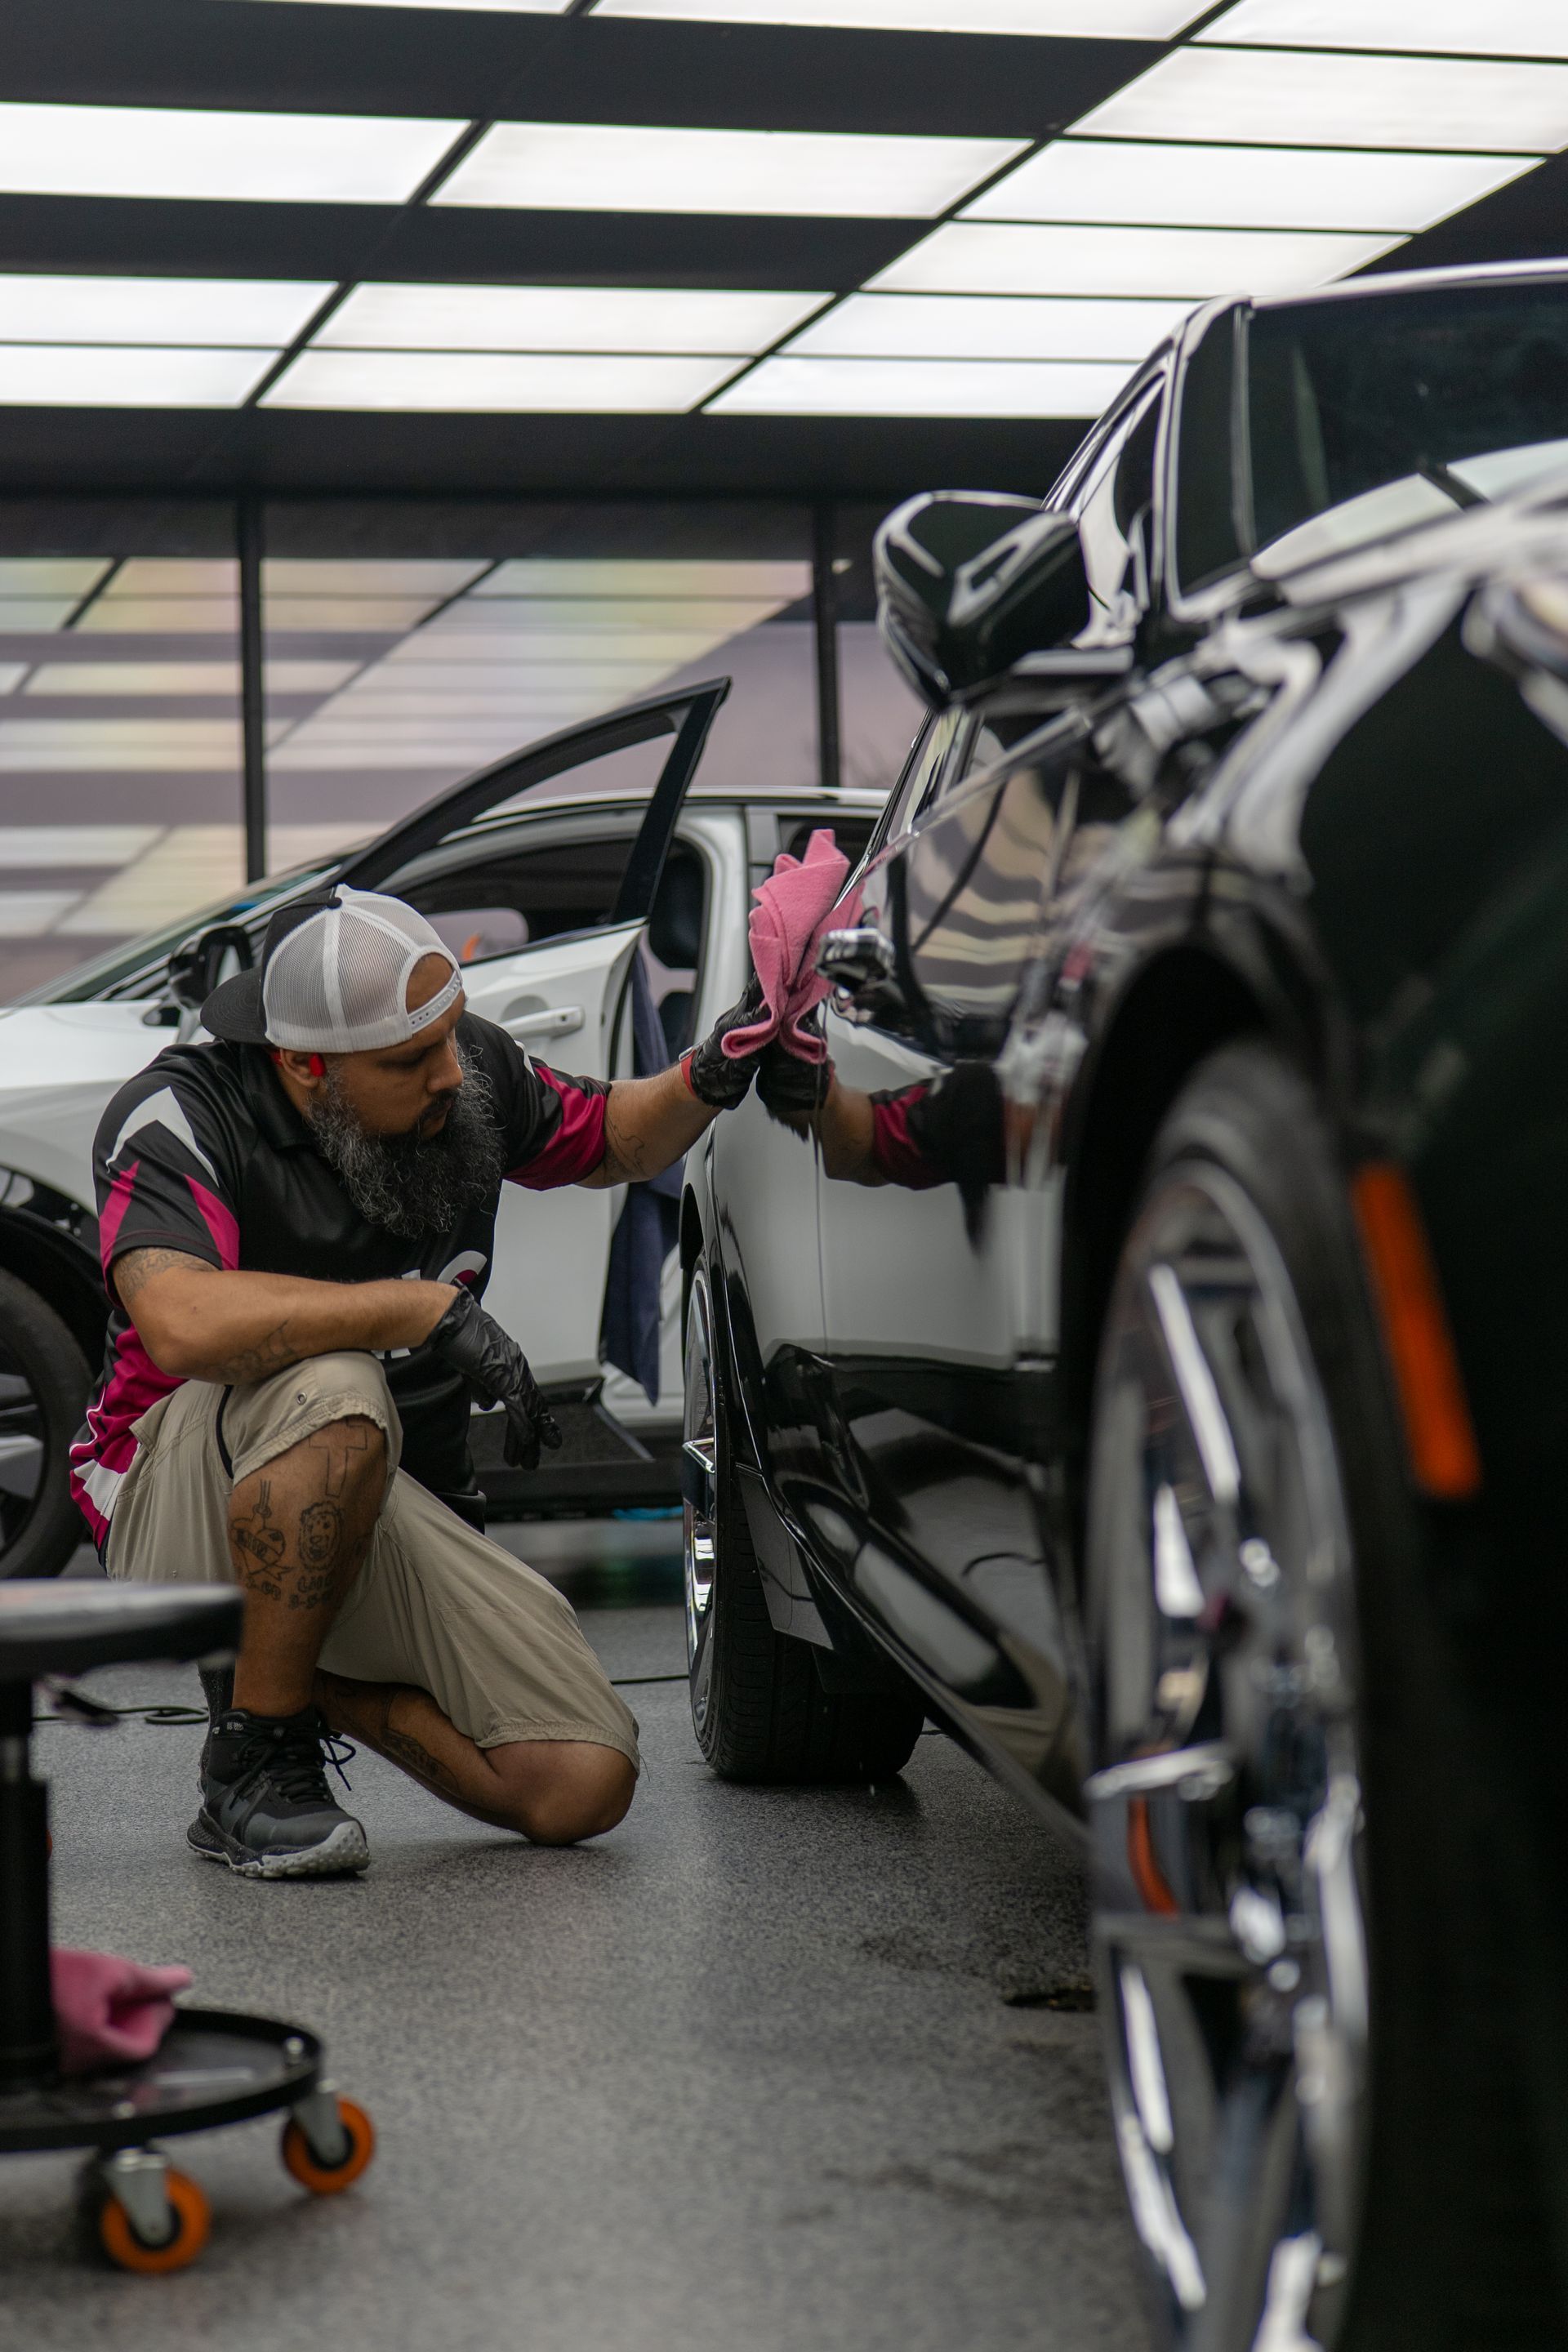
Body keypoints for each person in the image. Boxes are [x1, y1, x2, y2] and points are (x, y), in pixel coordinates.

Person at [72, 884, 763, 1879]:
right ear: (305, 1064)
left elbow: (615, 1138)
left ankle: (298, 1675)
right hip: (165, 1495)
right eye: (410, 1060)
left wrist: (712, 1068)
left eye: (449, 1037)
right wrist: (416, 1310)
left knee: (584, 1778)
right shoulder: (179, 1112)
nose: (453, 1074)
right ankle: (251, 1767)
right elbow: (181, 1323)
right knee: (340, 1385)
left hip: (368, 1489)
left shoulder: (461, 1066)